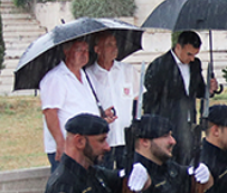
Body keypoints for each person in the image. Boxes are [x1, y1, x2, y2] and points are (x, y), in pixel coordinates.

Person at [142, 31, 213, 165]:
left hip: (189, 125)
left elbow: (198, 91)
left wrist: (209, 89)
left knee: (188, 162)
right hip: (168, 123)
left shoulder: (195, 65)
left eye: (195, 55)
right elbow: (150, 100)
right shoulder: (159, 66)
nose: (192, 58)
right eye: (189, 54)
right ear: (178, 47)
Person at [41, 37, 104, 169]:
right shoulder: (56, 78)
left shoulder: (85, 75)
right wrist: (60, 142)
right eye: (78, 50)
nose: (84, 54)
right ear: (66, 51)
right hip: (68, 147)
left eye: (86, 50)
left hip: (86, 146)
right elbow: (50, 113)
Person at [85, 31, 139, 168]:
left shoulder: (128, 70)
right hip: (103, 140)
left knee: (127, 181)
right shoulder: (88, 75)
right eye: (109, 45)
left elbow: (138, 101)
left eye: (115, 44)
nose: (114, 48)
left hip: (127, 138)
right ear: (97, 49)